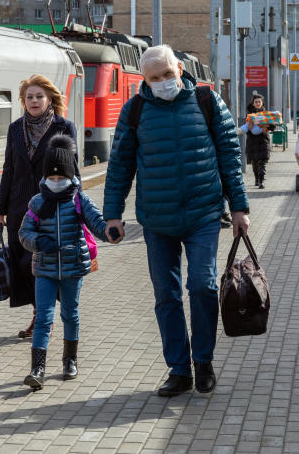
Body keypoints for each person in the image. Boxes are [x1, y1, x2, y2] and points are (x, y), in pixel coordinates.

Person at [103, 44, 249, 397]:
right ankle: (179, 369)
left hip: (203, 213)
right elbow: (120, 165)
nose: (163, 82)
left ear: (180, 69)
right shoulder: (134, 111)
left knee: (202, 285)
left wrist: (240, 206)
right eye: (154, 78)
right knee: (166, 295)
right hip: (157, 218)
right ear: (144, 79)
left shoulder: (207, 102)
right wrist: (112, 215)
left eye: (168, 74)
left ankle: (204, 361)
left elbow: (230, 154)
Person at [19, 134, 110, 389]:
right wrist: (40, 242)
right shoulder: (37, 203)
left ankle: (70, 360)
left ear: (72, 176)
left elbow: (97, 223)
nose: (57, 182)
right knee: (44, 317)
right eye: (52, 178)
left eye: (62, 178)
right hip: (45, 269)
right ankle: (37, 369)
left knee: (70, 314)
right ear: (45, 177)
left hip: (73, 268)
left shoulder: (79, 200)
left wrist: (111, 232)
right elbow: (24, 233)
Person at [0, 75, 79, 339]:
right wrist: (0, 209)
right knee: (22, 264)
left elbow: (73, 170)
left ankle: (43, 319)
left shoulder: (64, 127)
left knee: (43, 264)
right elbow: (9, 168)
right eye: (29, 97)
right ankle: (39, 314)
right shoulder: (15, 129)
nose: (34, 101)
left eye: (39, 96)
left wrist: (77, 206)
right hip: (20, 208)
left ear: (49, 99)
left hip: (51, 207)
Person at [241, 92, 271, 189]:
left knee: (262, 162)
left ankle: (261, 181)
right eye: (256, 102)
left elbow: (273, 125)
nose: (258, 103)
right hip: (252, 142)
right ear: (253, 103)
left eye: (259, 102)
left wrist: (269, 126)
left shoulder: (266, 115)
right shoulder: (249, 115)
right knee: (255, 163)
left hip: (263, 141)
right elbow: (246, 128)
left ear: (262, 103)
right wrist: (249, 129)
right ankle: (256, 178)